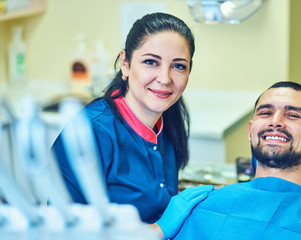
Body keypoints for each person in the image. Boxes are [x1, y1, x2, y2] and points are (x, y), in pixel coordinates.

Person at [51, 12, 208, 224]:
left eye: (178, 66)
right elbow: (62, 227)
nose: (165, 78)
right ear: (125, 63)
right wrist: (158, 230)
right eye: (151, 62)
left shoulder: (168, 121)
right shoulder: (91, 130)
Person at [156, 81, 301, 240]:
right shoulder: (200, 202)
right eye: (266, 112)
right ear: (250, 130)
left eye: (292, 115)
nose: (275, 122)